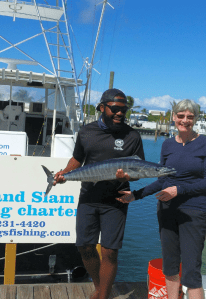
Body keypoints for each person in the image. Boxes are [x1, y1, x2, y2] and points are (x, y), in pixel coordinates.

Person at [117, 99, 206, 299]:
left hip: (194, 212)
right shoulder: (168, 144)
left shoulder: (205, 143)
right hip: (167, 210)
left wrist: (178, 189)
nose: (185, 120)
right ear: (173, 117)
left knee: (191, 272)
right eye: (181, 116)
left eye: (190, 116)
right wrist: (135, 195)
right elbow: (162, 180)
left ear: (195, 119)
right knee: (170, 267)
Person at [53, 88, 145, 299]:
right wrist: (64, 173)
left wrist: (129, 177)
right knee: (85, 247)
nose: (120, 113)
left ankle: (103, 295)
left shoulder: (132, 135)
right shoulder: (86, 131)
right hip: (88, 197)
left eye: (124, 109)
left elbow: (139, 170)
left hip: (117, 199)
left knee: (110, 251)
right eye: (115, 109)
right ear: (102, 108)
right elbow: (77, 159)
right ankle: (99, 286)